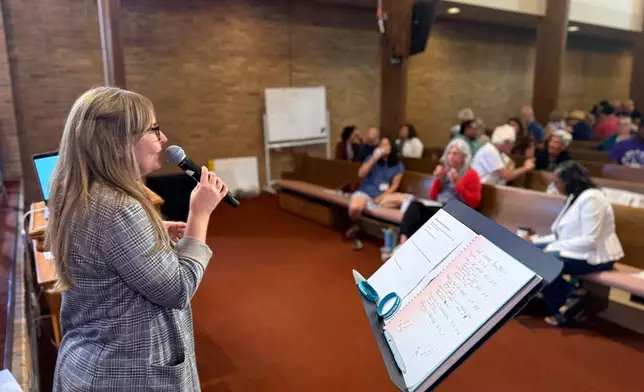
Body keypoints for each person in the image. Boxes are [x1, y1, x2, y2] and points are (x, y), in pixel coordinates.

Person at [46, 86, 230, 390]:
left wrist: (154, 232)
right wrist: (200, 214)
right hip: (126, 372)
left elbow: (106, 253)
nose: (163, 138)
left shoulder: (81, 191)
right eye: (153, 128)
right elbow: (177, 289)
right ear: (118, 143)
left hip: (90, 361)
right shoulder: (119, 208)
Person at [525, 161, 623, 326]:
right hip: (576, 251)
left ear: (569, 181)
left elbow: (589, 240)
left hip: (596, 256)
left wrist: (551, 248)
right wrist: (534, 240)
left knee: (546, 261)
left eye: (557, 182)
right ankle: (571, 295)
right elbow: (560, 234)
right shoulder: (575, 197)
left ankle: (565, 305)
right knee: (528, 252)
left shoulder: (593, 199)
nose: (555, 185)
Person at [398, 139, 481, 245]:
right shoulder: (445, 171)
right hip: (440, 207)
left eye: (455, 154)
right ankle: (403, 241)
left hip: (457, 212)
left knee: (425, 221)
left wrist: (457, 184)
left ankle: (411, 245)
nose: (451, 156)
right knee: (414, 206)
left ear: (464, 156)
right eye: (449, 153)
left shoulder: (472, 174)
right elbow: (433, 196)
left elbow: (474, 202)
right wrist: (438, 179)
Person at [346, 137, 404, 245]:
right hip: (366, 193)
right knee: (354, 208)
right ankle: (357, 225)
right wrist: (374, 158)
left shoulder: (398, 165)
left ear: (391, 148)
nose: (383, 147)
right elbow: (361, 174)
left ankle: (402, 234)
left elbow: (395, 185)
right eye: (381, 145)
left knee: (403, 199)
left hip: (383, 196)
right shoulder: (372, 158)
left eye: (386, 145)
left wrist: (381, 197)